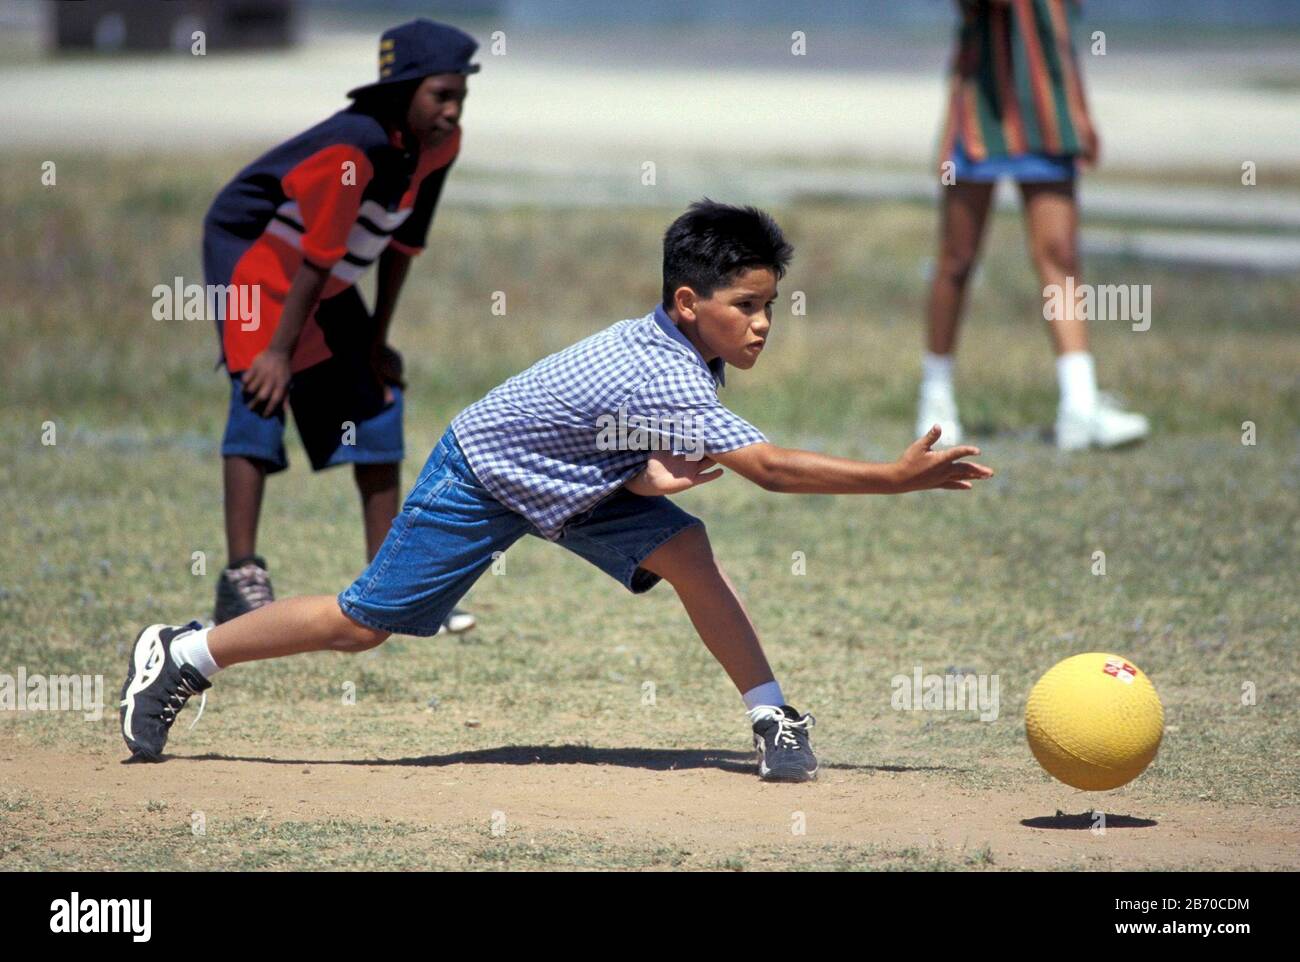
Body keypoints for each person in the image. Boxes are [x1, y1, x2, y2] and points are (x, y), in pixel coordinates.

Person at [121, 201, 994, 782]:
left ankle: (772, 718)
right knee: (362, 626)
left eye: (773, 304)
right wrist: (895, 477)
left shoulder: (686, 354)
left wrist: (644, 476)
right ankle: (184, 656)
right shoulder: (672, 376)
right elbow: (770, 470)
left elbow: (604, 434)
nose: (764, 323)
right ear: (688, 302)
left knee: (687, 548)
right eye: (748, 305)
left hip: (571, 483)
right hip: (484, 474)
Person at [202, 19, 478, 632]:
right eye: (441, 95)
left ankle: (392, 584)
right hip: (259, 260)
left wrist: (376, 340)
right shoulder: (351, 149)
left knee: (377, 399)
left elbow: (404, 244)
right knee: (260, 394)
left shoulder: (439, 144)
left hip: (317, 276)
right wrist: (275, 352)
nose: (454, 110)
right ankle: (239, 579)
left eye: (461, 95)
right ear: (403, 89)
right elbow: (318, 250)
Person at [919, 0, 1149, 450]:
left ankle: (1079, 407)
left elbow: (1057, 36)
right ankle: (936, 401)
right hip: (980, 108)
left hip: (1047, 111)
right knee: (956, 258)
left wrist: (1079, 111)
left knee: (1061, 253)